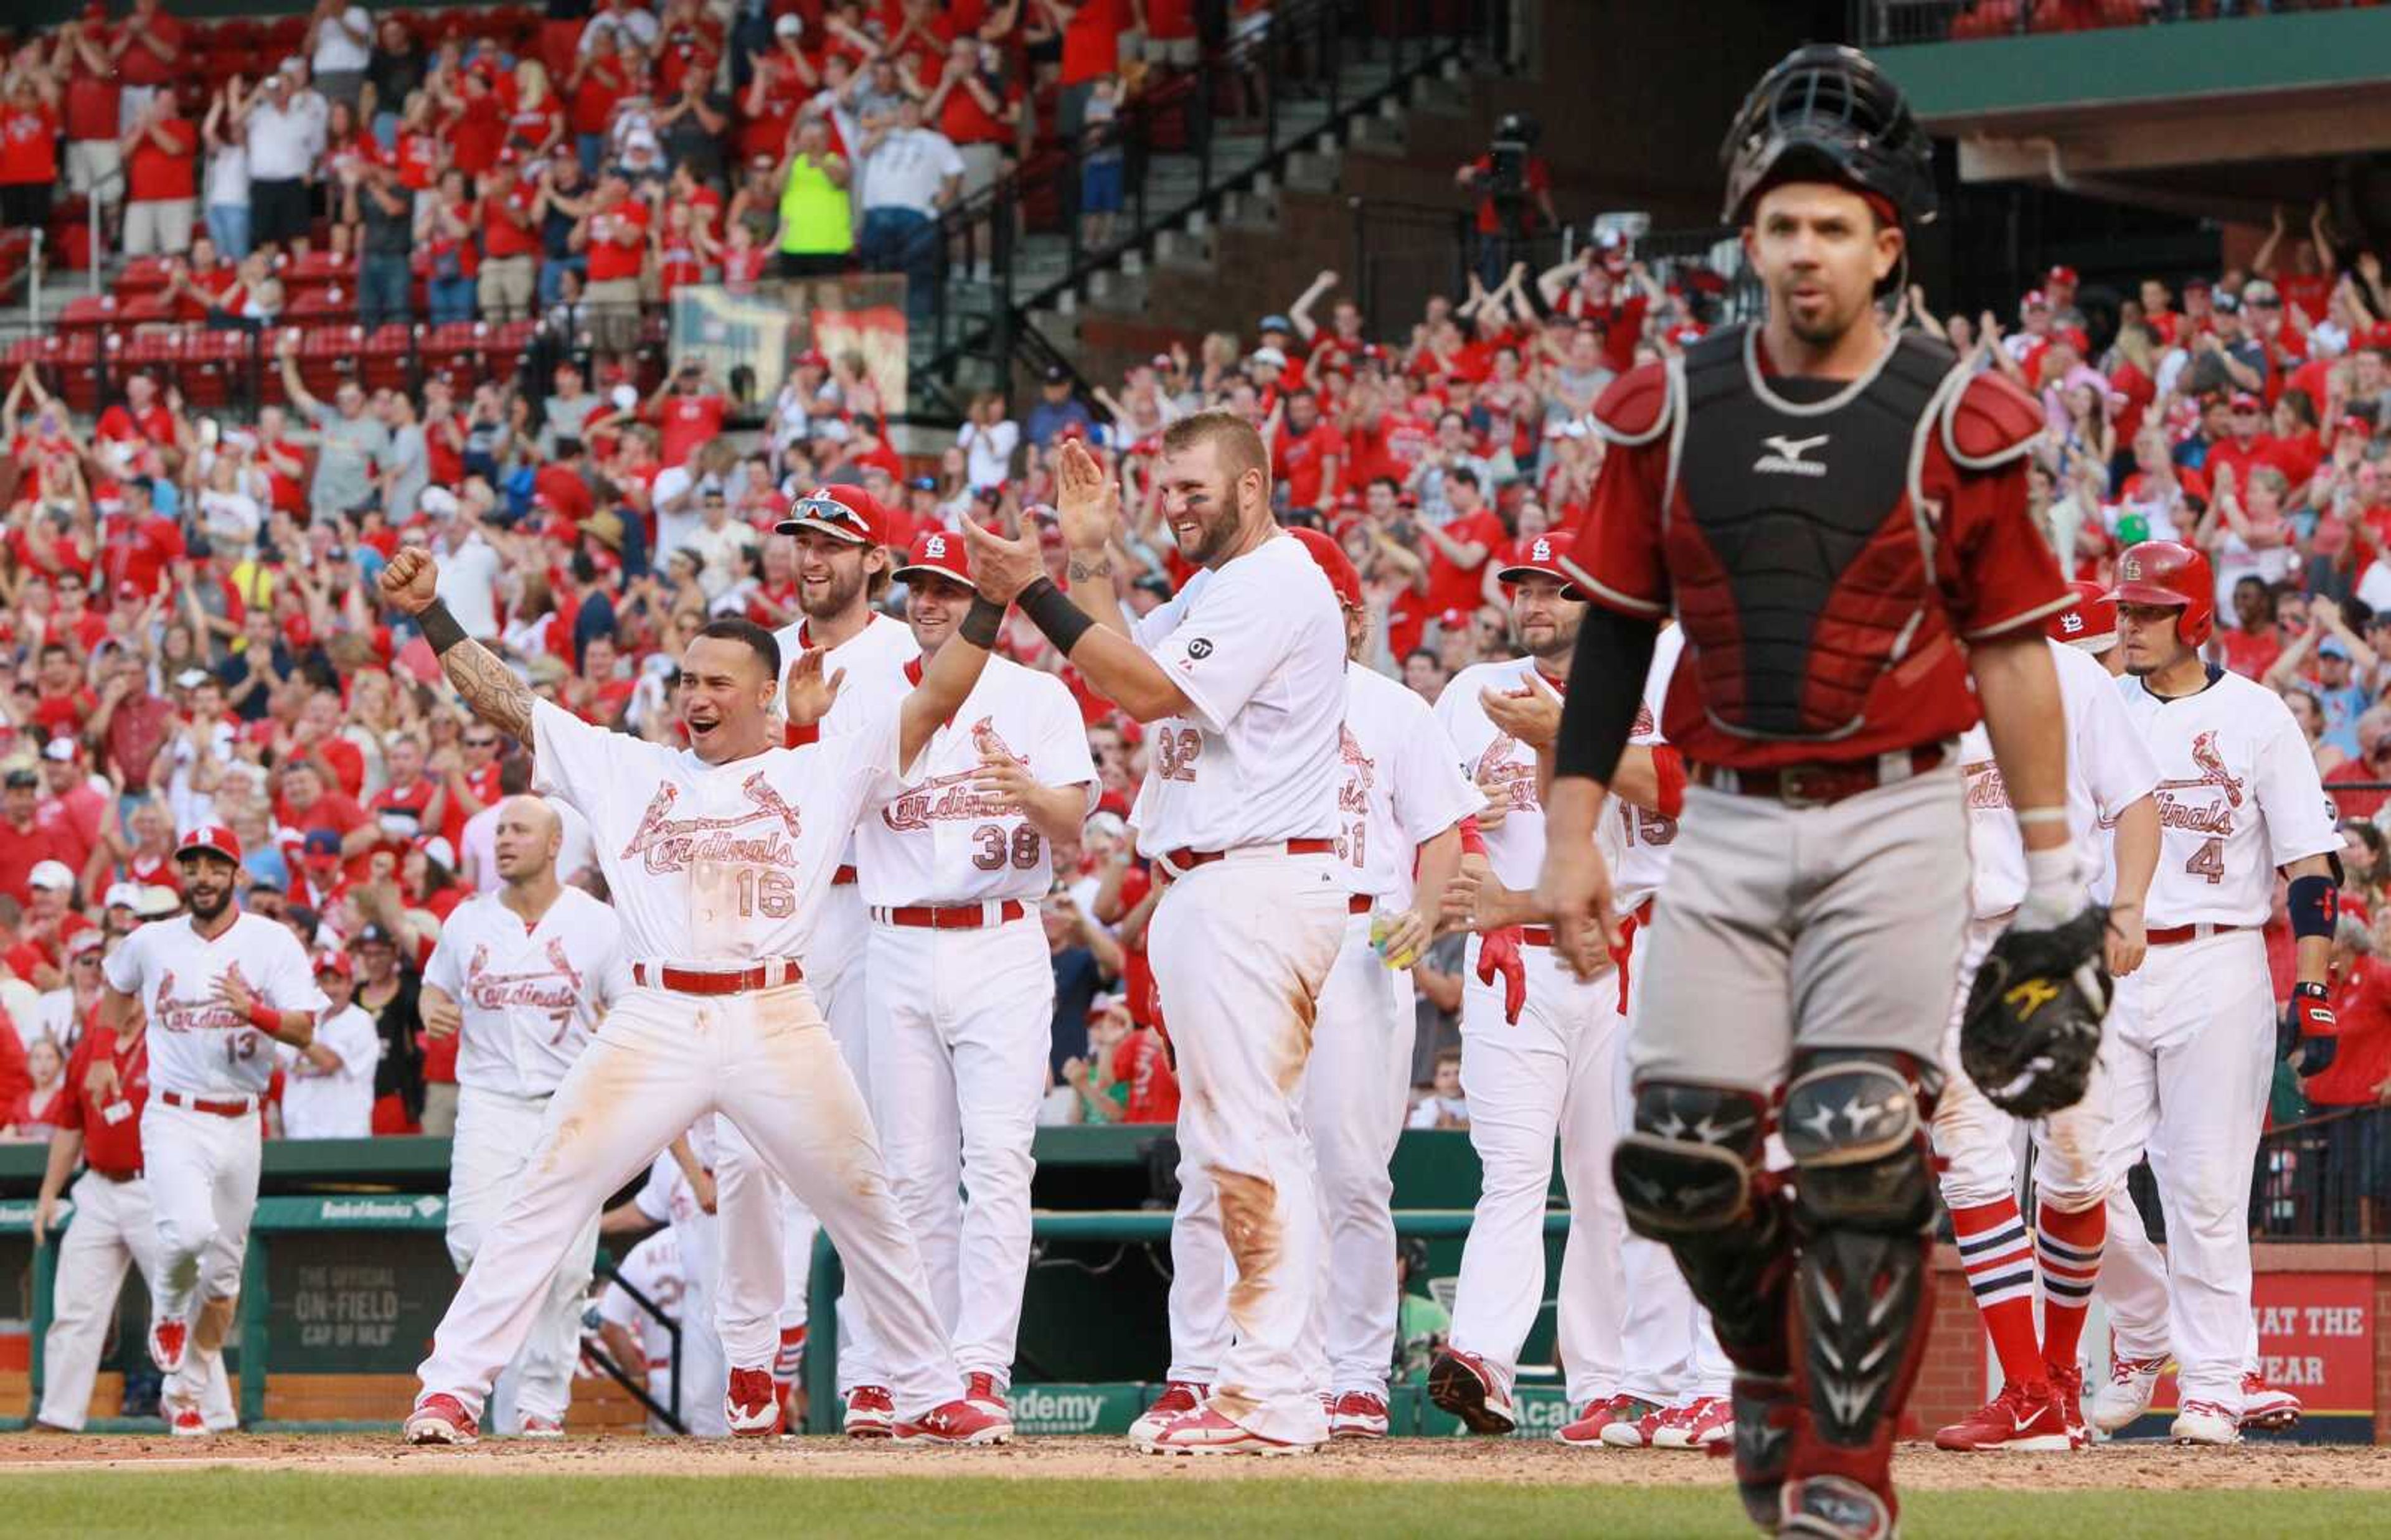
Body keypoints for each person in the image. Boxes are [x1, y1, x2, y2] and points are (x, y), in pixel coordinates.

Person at [1534, 46, 2087, 1537]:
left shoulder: (1956, 414)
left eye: (1831, 222)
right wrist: (1570, 828)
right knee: (1675, 1160)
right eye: (1779, 220)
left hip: (1895, 809)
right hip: (1717, 810)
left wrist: (2055, 886)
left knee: (1853, 1130)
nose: (1800, 247)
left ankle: (1847, 1469)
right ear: (1745, 232)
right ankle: (1779, 1366)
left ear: (1885, 240)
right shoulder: (1672, 408)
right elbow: (1610, 633)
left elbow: (2017, 660)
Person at [379, 537, 1011, 1448]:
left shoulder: (818, 764)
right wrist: (433, 615)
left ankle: (927, 1385)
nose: (698, 697)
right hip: (657, 1016)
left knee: (864, 1196)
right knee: (549, 1189)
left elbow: (938, 697)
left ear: (767, 693)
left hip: (774, 1012)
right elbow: (510, 703)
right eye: (688, 681)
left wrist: (990, 605)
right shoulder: (633, 767)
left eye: (719, 682)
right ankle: (451, 1387)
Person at [961, 414, 1349, 1455]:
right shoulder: (1226, 586)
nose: (1174, 504)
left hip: (1253, 881)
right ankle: (1284, 1376)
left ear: (1254, 487)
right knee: (1243, 1139)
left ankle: (1267, 1390)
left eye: (1192, 487)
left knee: (1249, 1140)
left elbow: (1145, 690)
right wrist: (1088, 554)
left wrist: (1032, 587)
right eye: (1165, 489)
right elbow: (1123, 661)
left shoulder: (1278, 577)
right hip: (1217, 884)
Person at [1156, 525, 1472, 1442]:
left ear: (1354, 615)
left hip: (1361, 930)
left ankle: (1354, 1371)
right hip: (1247, 920)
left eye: (1329, 610)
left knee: (1350, 1168)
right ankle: (1201, 1363)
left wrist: (1423, 899)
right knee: (1213, 1159)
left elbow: (1443, 823)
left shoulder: (1391, 708)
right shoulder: (1225, 701)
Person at [2089, 540, 2341, 1446]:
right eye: (2124, 610)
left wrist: (2311, 985)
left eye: (2149, 611)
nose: (2129, 624)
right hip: (2107, 958)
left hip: (2219, 957)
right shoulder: (2096, 704)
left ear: (2195, 616)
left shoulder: (2257, 715)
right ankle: (2145, 1322)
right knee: (2077, 1175)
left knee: (2204, 1190)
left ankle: (2212, 1381)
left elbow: (2311, 864)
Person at [854, 530, 1098, 1422]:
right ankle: (920, 1369)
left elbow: (1072, 820)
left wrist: (1026, 791)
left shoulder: (1036, 696)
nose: (928, 602)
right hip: (895, 940)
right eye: (919, 585)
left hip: (999, 936)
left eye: (949, 589)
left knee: (998, 1161)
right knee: (912, 1172)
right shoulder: (874, 697)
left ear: (981, 599)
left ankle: (982, 1365)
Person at [1929, 583, 2161, 1452]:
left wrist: (2131, 904)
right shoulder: (1900, 682)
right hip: (1945, 944)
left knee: (2074, 1171)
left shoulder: (2069, 674)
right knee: (1971, 1166)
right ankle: (2026, 1387)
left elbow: (2137, 800)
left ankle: (2058, 1379)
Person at [1420, 532, 1631, 1443]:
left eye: (1557, 588)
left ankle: (1607, 1385)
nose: (1536, 601)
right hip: (1509, 955)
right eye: (1525, 586)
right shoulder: (1471, 692)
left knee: (1604, 1181)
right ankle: (1482, 1361)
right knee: (1511, 1173)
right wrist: (1469, 809)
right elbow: (1419, 812)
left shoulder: (1636, 687)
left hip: (1614, 957)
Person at [99, 825, 325, 1437]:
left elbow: (304, 1030)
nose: (202, 875)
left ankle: (186, 1388)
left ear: (236, 874)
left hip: (241, 1116)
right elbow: (114, 989)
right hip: (173, 1111)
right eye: (192, 864)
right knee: (190, 1231)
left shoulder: (270, 941)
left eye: (214, 864)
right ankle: (169, 1309)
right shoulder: (151, 940)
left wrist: (255, 1009)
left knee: (224, 1280)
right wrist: (100, 1051)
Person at [420, 796, 627, 1437]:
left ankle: (540, 1406)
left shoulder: (598, 924)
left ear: (555, 840)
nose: (505, 840)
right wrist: (432, 1008)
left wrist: (613, 1031)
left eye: (519, 829)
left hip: (571, 1105)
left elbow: (633, 1007)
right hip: (489, 1099)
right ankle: (494, 1381)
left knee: (566, 1266)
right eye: (499, 830)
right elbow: (436, 982)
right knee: (474, 1242)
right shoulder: (468, 920)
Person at [29, 1013, 184, 1432]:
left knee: (179, 1304)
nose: (123, 992)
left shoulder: (168, 1038)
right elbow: (69, 1126)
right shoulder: (90, 1050)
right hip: (98, 1185)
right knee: (75, 1307)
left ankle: (207, 1414)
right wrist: (48, 1193)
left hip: (153, 1185)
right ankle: (58, 1417)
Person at [276, 951, 380, 1139]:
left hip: (346, 1135)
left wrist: (295, 1036)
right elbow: (277, 1061)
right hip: (301, 1133)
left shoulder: (360, 1021)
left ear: (350, 985)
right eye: (324, 981)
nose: (330, 989)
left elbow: (329, 1063)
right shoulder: (300, 1018)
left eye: (337, 981)